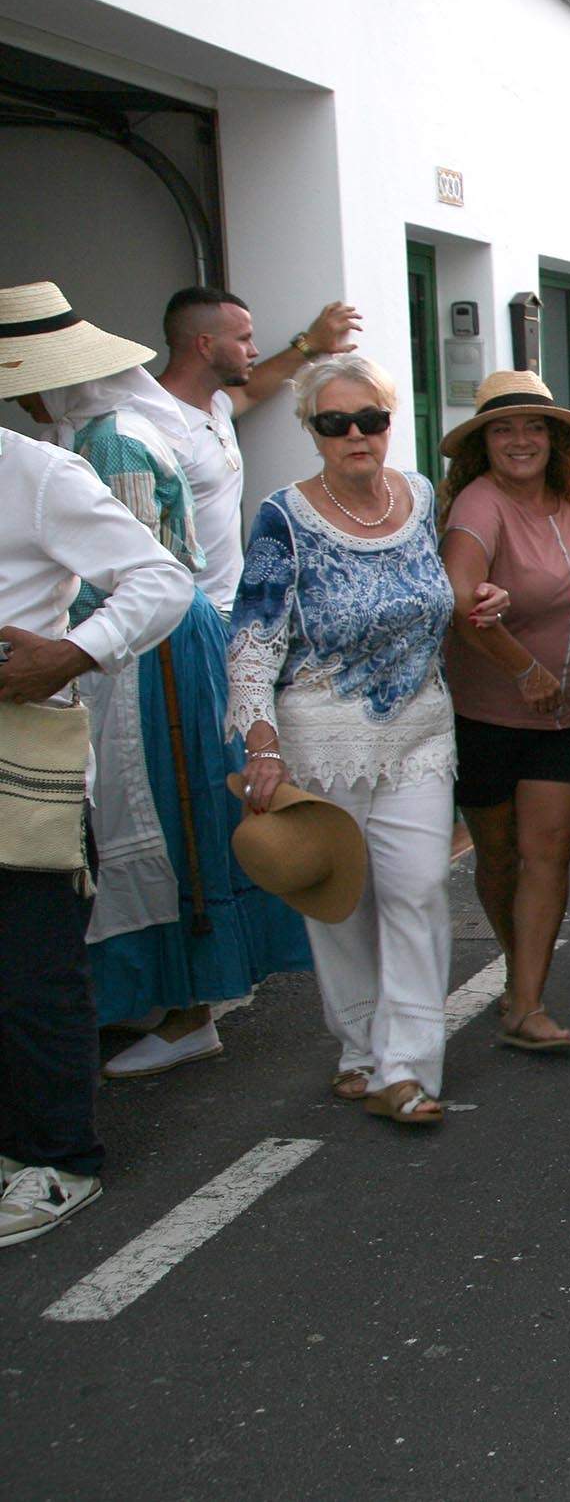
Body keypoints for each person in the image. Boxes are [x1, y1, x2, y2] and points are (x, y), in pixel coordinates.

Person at [228, 356, 499, 1128]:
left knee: (415, 890)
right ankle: (357, 1048)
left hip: (419, 730)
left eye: (370, 419)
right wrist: (261, 741)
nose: (356, 435)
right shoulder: (283, 516)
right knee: (340, 904)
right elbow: (254, 638)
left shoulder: (420, 499)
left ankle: (404, 1067)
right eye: (334, 422)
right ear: (311, 431)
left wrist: (484, 598)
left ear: (390, 420)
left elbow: (446, 590)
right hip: (321, 738)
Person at [25, 360, 309, 1080]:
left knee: (160, 815)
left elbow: (129, 574)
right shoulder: (103, 432)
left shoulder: (112, 439)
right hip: (151, 647)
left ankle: (189, 1008)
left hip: (150, 656)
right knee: (146, 817)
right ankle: (161, 995)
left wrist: (58, 644)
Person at [0, 287, 194, 1248]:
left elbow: (162, 578)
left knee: (31, 970)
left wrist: (71, 652)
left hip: (18, 765)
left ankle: (55, 1158)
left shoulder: (37, 473)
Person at [436, 370, 570, 1055]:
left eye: (532, 427)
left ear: (555, 439)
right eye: (502, 429)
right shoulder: (480, 503)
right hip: (489, 713)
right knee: (502, 856)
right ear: (483, 444)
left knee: (549, 852)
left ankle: (527, 1000)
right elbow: (457, 594)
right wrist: (521, 665)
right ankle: (518, 972)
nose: (518, 440)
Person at [143, 286, 362, 615]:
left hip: (229, 608)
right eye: (243, 339)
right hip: (183, 619)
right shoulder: (152, 421)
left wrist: (309, 345)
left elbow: (254, 389)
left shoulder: (216, 403)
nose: (254, 350)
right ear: (205, 344)